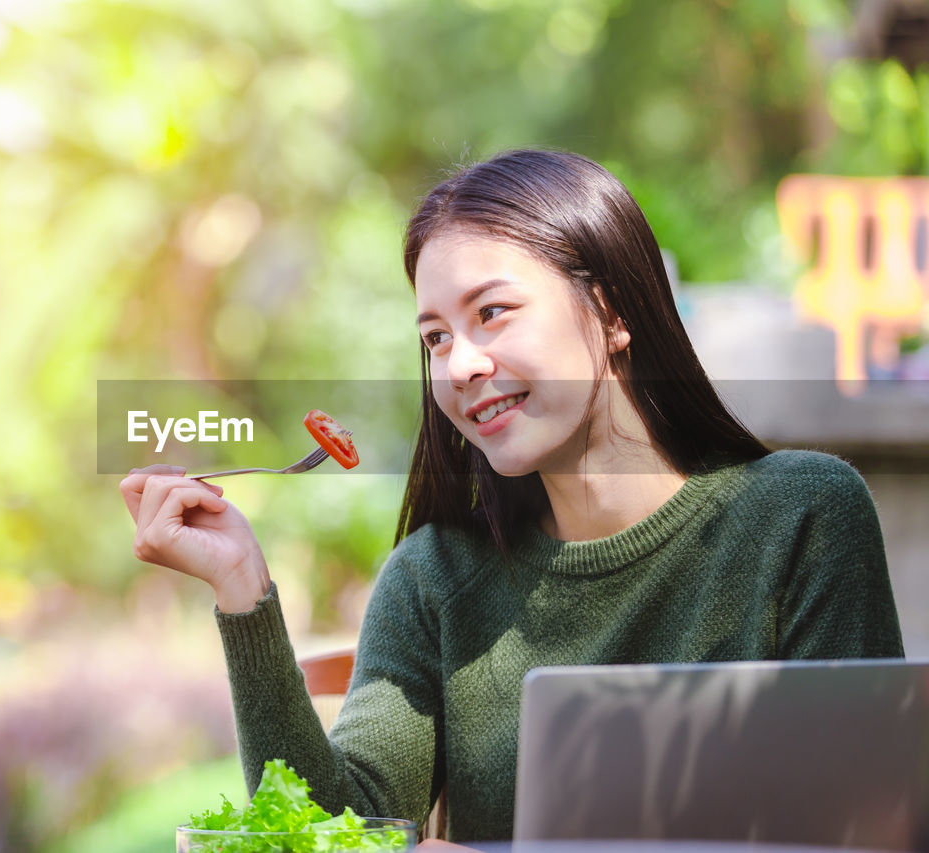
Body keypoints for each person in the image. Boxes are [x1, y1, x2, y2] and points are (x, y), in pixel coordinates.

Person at [118, 149, 905, 842]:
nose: (458, 365)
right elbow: (333, 835)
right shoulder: (433, 578)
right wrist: (241, 591)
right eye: (435, 337)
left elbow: (859, 831)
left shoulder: (803, 517)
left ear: (612, 309)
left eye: (491, 313)